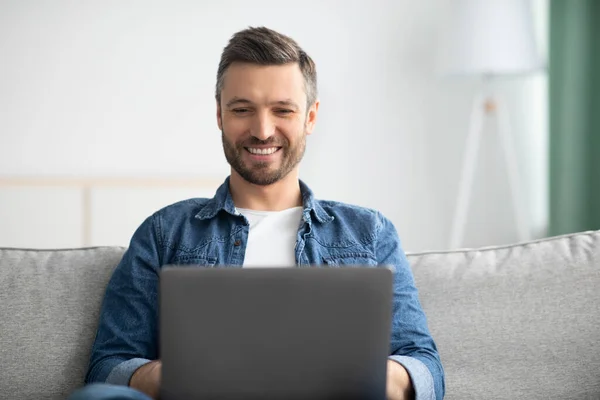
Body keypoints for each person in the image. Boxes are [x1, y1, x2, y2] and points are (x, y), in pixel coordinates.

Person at [69, 26, 444, 400]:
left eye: (282, 110)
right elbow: (107, 368)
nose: (263, 131)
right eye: (242, 110)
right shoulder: (165, 232)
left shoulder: (369, 234)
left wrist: (374, 376)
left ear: (310, 118)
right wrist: (162, 376)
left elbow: (425, 368)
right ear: (219, 115)